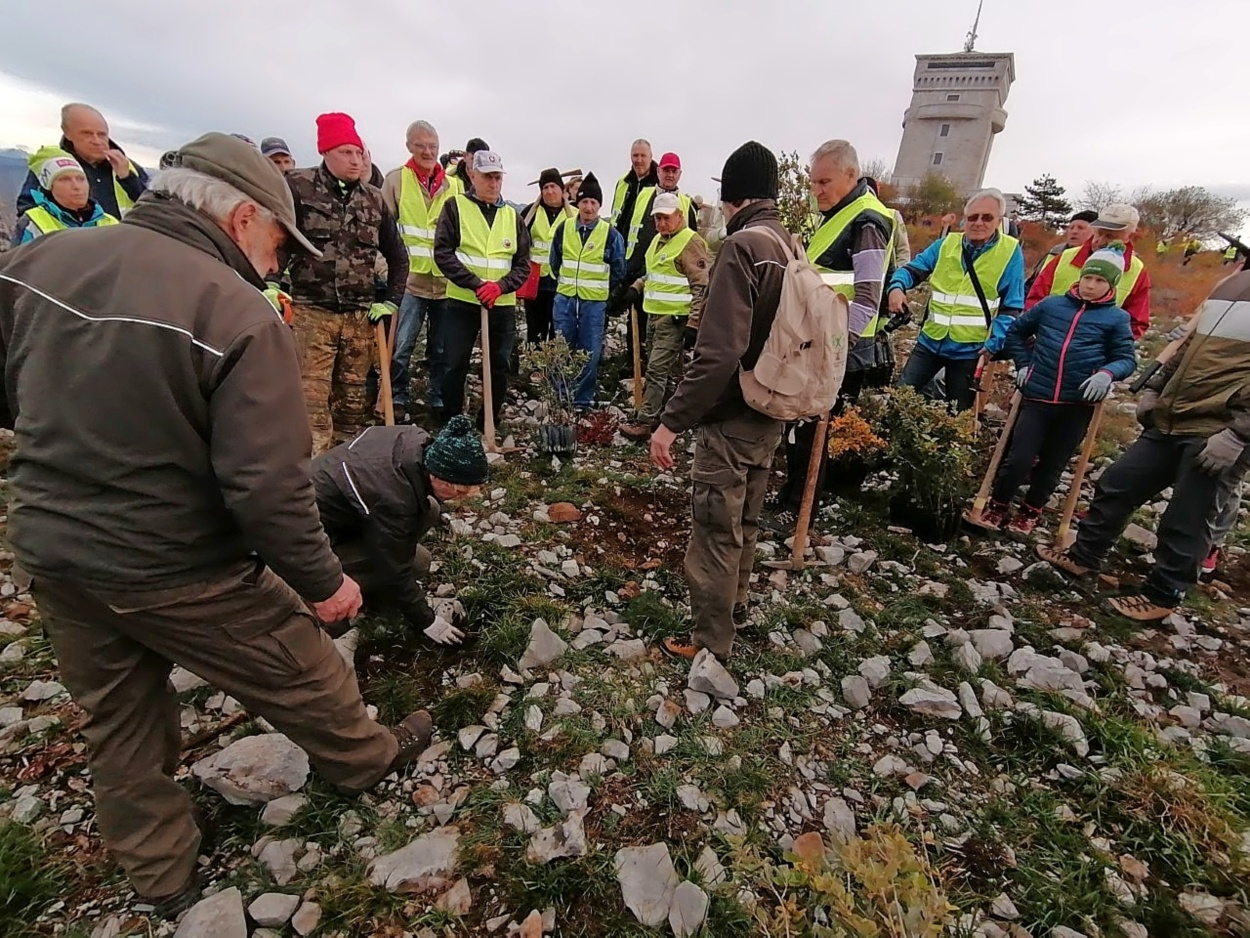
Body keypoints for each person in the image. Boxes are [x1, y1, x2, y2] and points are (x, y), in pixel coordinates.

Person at [0, 132, 432, 916]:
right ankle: (367, 758)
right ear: (240, 219)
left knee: (118, 717)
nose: (280, 262)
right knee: (303, 666)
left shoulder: (37, 265)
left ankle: (161, 876)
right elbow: (266, 485)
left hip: (53, 550)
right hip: (176, 564)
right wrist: (324, 582)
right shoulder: (234, 311)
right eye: (277, 239)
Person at [1038, 264, 1250, 620]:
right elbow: (1188, 347)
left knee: (1189, 516)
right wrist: (1155, 387)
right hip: (1171, 416)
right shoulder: (1232, 287)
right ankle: (1084, 556)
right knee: (1119, 483)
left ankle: (1164, 593)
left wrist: (1238, 434)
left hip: (1218, 427)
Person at [648, 141, 792, 662]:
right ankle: (738, 605)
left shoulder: (742, 248)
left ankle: (710, 641)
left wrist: (670, 422)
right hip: (772, 408)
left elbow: (717, 353)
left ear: (730, 197)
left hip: (732, 416)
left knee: (714, 530)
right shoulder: (787, 243)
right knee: (747, 520)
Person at [768, 141, 894, 534]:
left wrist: (838, 351)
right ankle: (792, 495)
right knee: (800, 427)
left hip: (840, 350)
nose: (816, 190)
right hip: (818, 343)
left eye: (824, 182)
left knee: (813, 432)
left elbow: (868, 296)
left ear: (850, 175)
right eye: (812, 182)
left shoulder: (867, 221)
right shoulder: (835, 215)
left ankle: (801, 506)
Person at [979, 244, 1137, 535]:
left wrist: (1106, 373)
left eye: (1100, 281)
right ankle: (998, 504)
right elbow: (1016, 332)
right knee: (1019, 458)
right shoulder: (1051, 306)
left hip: (1077, 404)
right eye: (1088, 277)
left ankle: (1030, 511)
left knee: (1053, 464)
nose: (1091, 285)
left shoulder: (1117, 319)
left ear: (1111, 284)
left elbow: (1126, 358)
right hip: (1037, 394)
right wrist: (1024, 364)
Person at [285, 112, 409, 454]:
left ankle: (344, 475)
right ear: (325, 152)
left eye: (359, 152)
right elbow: (277, 241)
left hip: (359, 318)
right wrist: (271, 283)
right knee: (311, 404)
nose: (355, 160)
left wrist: (392, 300)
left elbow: (398, 256)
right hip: (312, 313)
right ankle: (310, 481)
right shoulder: (298, 186)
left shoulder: (373, 200)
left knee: (353, 406)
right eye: (346, 153)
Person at [313, 417, 487, 642]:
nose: (461, 499)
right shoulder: (393, 498)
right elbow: (396, 569)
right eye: (459, 492)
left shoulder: (416, 442)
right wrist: (427, 621)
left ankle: (374, 591)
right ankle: (318, 604)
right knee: (417, 563)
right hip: (305, 547)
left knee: (429, 513)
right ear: (436, 476)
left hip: (343, 515)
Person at [889, 189, 1026, 412]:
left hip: (970, 350)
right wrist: (897, 287)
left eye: (987, 217)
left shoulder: (1010, 251)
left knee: (957, 412)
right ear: (964, 219)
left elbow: (1012, 306)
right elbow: (913, 270)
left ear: (999, 221)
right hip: (930, 341)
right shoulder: (946, 244)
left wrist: (995, 343)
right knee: (900, 398)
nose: (979, 222)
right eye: (973, 217)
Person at [433, 150, 531, 427]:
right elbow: (443, 253)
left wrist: (501, 287)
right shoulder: (455, 208)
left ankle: (489, 418)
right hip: (462, 301)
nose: (493, 183)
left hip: (500, 304)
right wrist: (475, 284)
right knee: (454, 362)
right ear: (473, 176)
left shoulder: (513, 216)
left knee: (499, 364)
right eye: (487, 177)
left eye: (497, 177)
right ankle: (452, 421)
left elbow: (523, 264)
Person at [619, 192, 711, 439]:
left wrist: (694, 323)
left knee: (657, 370)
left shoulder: (689, 242)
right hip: (654, 316)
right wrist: (636, 287)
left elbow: (701, 286)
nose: (661, 223)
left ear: (680, 216)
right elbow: (655, 273)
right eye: (657, 218)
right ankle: (672, 415)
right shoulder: (660, 241)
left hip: (675, 320)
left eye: (666, 218)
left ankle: (645, 421)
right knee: (669, 372)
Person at [381, 120, 454, 421]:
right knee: (402, 345)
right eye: (421, 145)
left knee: (440, 348)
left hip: (444, 281)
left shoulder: (453, 187)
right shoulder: (397, 180)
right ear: (409, 146)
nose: (428, 151)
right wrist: (384, 268)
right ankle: (396, 397)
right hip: (409, 282)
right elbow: (381, 228)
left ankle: (437, 398)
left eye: (433, 146)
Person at [549, 173, 626, 408]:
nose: (589, 207)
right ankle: (561, 397)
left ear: (599, 206)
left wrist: (602, 290)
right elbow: (555, 261)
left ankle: (582, 401)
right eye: (584, 202)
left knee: (589, 353)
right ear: (577, 203)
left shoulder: (611, 235)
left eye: (593, 202)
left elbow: (619, 270)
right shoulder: (564, 229)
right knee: (562, 349)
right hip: (565, 300)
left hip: (594, 304)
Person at [1026, 204, 1152, 339]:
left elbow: (1136, 324)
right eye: (1099, 233)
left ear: (1130, 237)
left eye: (1109, 236)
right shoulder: (1065, 257)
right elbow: (1034, 300)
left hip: (1095, 356)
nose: (1100, 241)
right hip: (1046, 345)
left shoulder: (1137, 271)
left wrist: (1107, 350)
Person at [16, 103, 149, 219]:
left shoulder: (130, 168)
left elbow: (157, 208)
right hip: (74, 245)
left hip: (127, 245)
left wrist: (128, 179)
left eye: (102, 134)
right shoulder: (53, 166)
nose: (97, 141)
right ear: (68, 134)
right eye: (87, 134)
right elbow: (28, 212)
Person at [12, 146, 118, 245]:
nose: (76, 186)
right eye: (65, 179)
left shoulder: (110, 223)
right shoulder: (33, 222)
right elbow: (19, 263)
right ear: (49, 187)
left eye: (81, 179)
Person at [523, 168, 576, 345]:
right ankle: (535, 367)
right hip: (535, 282)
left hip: (562, 283)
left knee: (558, 327)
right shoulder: (530, 213)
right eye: (545, 187)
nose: (549, 191)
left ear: (562, 189)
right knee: (535, 329)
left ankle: (554, 369)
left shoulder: (575, 216)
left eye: (553, 186)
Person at [1025, 209, 1098, 290]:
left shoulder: (1100, 256)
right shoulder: (1055, 253)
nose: (1074, 231)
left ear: (1096, 232)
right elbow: (1032, 285)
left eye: (1081, 228)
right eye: (1071, 228)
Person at [610, 139, 659, 241]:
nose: (639, 160)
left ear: (650, 157)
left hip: (646, 247)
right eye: (635, 155)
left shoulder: (659, 184)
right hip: (618, 245)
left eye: (643, 155)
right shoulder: (623, 182)